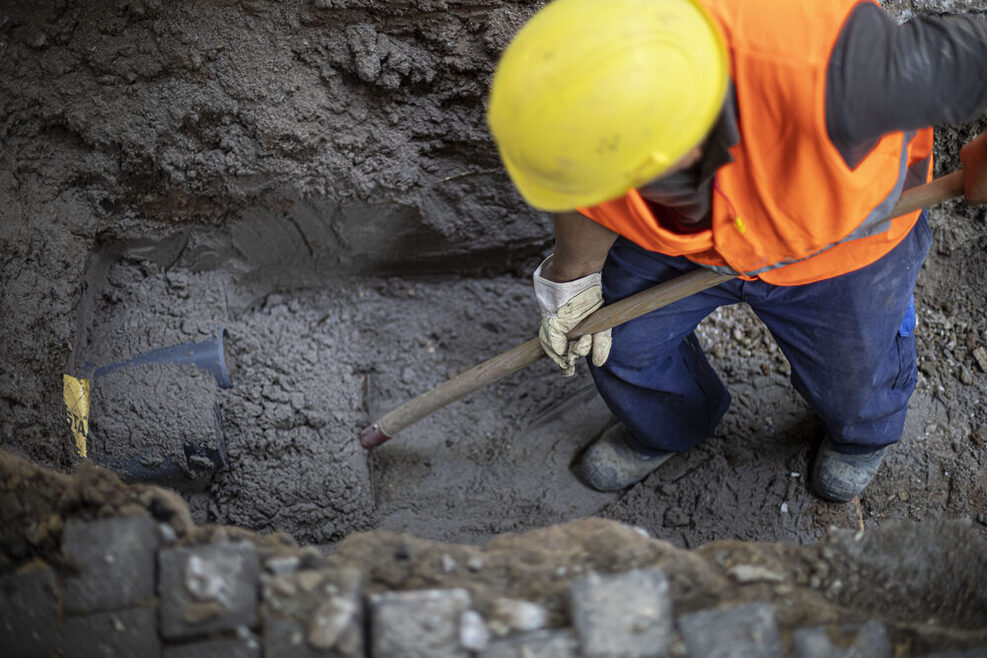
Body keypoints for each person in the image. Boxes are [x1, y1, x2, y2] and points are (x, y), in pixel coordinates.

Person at [486, 0, 987, 501]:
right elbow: (582, 188)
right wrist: (573, 278)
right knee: (621, 342)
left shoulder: (836, 70)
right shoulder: (593, 78)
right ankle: (668, 425)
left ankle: (860, 438)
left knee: (857, 373)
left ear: (676, 148)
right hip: (682, 241)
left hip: (846, 248)